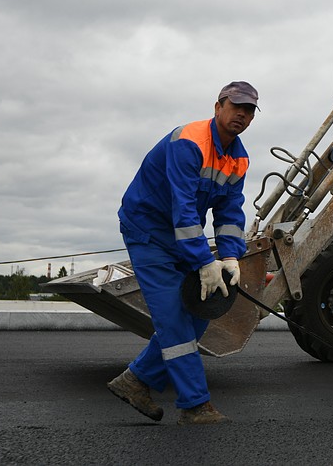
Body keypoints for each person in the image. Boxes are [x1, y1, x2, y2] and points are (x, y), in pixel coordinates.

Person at [106, 81, 258, 425]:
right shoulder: (189, 142)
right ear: (218, 107)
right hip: (147, 230)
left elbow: (231, 211)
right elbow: (183, 207)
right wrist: (204, 261)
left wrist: (231, 256)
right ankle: (195, 405)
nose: (242, 115)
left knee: (202, 307)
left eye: (248, 110)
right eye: (236, 106)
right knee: (175, 318)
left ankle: (135, 380)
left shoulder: (239, 158)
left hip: (180, 235)